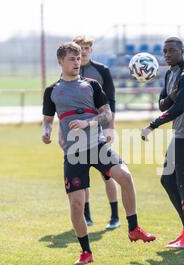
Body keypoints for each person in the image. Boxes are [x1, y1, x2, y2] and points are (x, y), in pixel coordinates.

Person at [42, 42, 155, 265]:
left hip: (98, 145)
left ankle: (133, 228)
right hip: (73, 152)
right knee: (76, 203)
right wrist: (46, 132)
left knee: (125, 176)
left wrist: (88, 123)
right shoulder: (52, 91)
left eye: (78, 58)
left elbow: (106, 114)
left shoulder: (92, 85)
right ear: (60, 62)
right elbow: (47, 121)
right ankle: (86, 252)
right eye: (72, 59)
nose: (77, 62)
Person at [141, 37, 184, 249]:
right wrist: (170, 98)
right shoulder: (169, 73)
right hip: (180, 134)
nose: (167, 54)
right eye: (164, 51)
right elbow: (162, 104)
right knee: (168, 181)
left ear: (182, 51)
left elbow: (177, 108)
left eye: (171, 51)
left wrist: (152, 126)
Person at [68, 35, 119, 230]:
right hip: (77, 132)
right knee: (82, 175)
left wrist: (110, 128)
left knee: (108, 174)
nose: (84, 50)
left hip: (99, 128)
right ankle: (87, 216)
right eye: (81, 47)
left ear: (92, 49)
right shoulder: (69, 72)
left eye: (88, 47)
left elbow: (111, 102)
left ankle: (114, 216)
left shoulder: (102, 71)